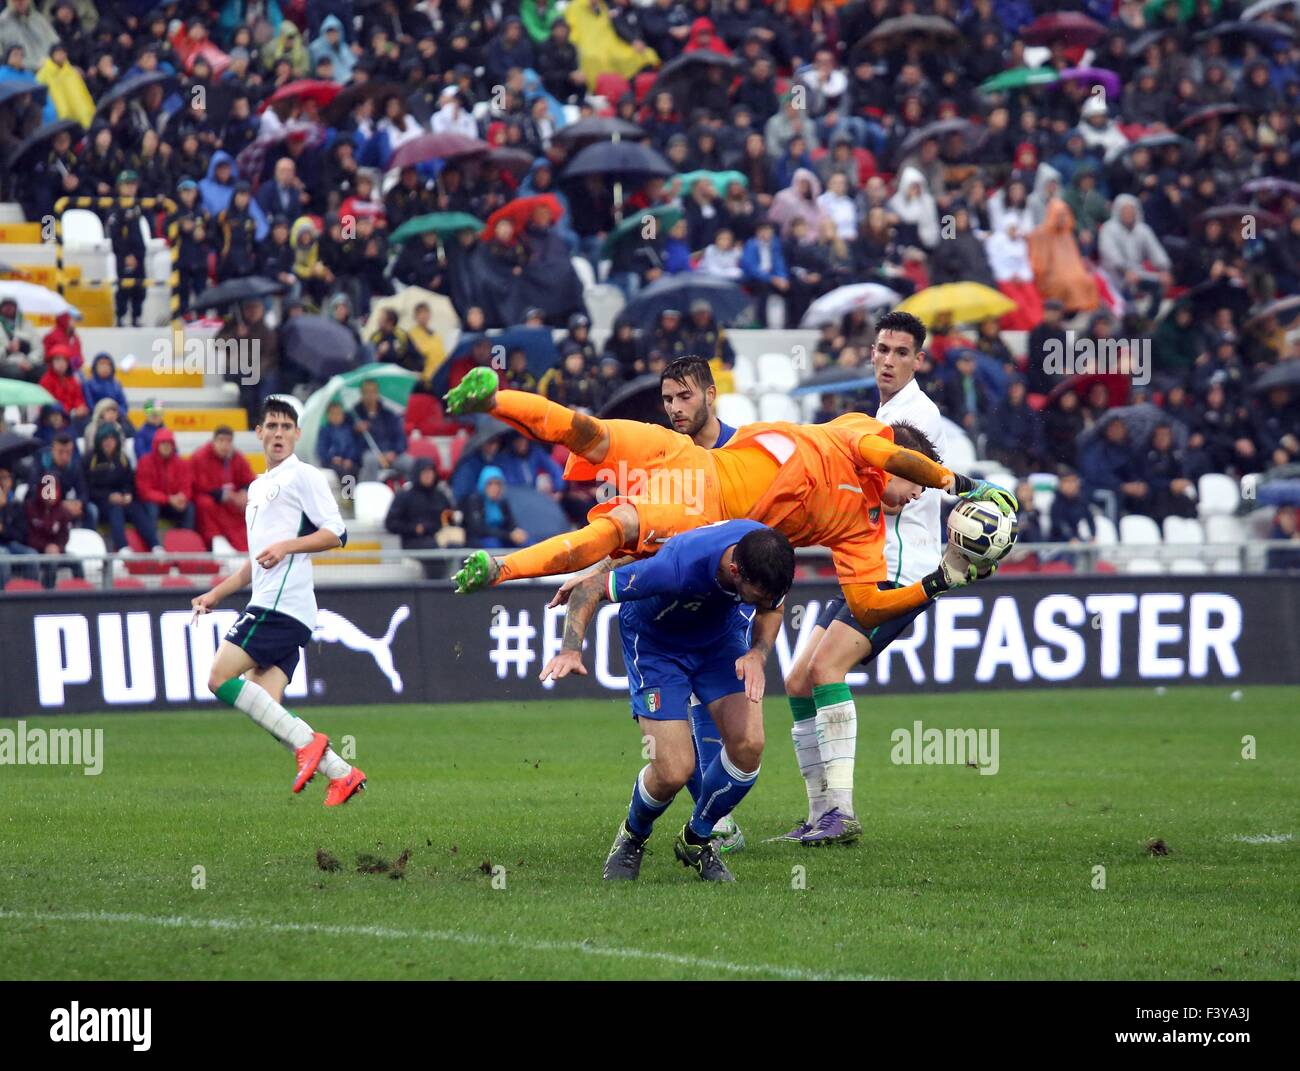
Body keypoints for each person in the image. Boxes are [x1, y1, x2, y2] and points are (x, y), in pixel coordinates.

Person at [444, 365, 1016, 635]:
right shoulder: (858, 434)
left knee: (617, 525)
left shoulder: (860, 530)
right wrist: (957, 484)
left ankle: (500, 568)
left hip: (705, 512)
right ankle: (493, 399)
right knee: (590, 435)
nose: (909, 498)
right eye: (914, 491)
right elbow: (894, 459)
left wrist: (937, 582)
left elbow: (867, 608)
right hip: (694, 469)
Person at [779, 309, 953, 845]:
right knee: (797, 679)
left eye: (902, 352)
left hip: (899, 568)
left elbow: (898, 495)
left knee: (827, 670)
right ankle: (817, 813)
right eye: (883, 350)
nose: (889, 360)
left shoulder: (916, 417)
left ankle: (843, 813)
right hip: (866, 563)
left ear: (918, 360)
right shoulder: (879, 414)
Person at [540, 521, 794, 882]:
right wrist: (570, 649)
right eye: (758, 594)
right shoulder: (675, 568)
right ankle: (632, 835)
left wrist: (757, 651)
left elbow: (773, 608)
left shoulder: (767, 555)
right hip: (657, 647)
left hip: (720, 643)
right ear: (735, 570)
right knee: (674, 770)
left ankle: (697, 837)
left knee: (749, 744)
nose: (766, 600)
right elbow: (589, 589)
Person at [192, 397, 365, 807]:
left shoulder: (303, 476)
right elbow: (258, 560)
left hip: (280, 605)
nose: (279, 433)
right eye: (271, 426)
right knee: (266, 708)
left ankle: (311, 745)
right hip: (282, 605)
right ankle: (343, 773)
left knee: (218, 679)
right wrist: (216, 593)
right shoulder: (257, 487)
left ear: (297, 434)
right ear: (259, 433)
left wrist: (288, 546)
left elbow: (337, 533)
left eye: (287, 427)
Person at [383, 458, 464, 579]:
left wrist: (453, 519)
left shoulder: (440, 495)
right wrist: (414, 529)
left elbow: (449, 515)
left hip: (440, 537)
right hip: (414, 541)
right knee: (434, 551)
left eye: (431, 472)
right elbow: (390, 523)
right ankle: (436, 588)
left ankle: (462, 587)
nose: (429, 476)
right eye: (425, 473)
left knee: (459, 548)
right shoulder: (405, 496)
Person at [84, 422, 158, 552]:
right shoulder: (90, 459)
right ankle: (123, 547)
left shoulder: (123, 458)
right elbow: (87, 488)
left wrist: (128, 494)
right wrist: (108, 496)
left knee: (137, 509)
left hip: (122, 498)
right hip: (100, 501)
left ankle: (155, 545)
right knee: (115, 509)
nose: (109, 443)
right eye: (105, 439)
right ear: (99, 440)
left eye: (112, 439)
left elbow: (129, 482)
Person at [191, 426, 256, 551]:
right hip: (211, 499)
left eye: (228, 441)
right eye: (221, 441)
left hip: (232, 502)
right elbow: (200, 486)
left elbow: (248, 479)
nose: (224, 445)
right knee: (205, 504)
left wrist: (244, 492)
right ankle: (215, 540)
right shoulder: (200, 457)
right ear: (214, 441)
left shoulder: (236, 457)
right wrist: (229, 496)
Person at [134, 427, 195, 532]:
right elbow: (144, 491)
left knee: (189, 508)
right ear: (156, 445)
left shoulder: (181, 464)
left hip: (173, 503)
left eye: (169, 444)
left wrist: (182, 497)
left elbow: (187, 487)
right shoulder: (145, 462)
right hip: (155, 503)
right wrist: (168, 499)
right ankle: (152, 543)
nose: (166, 447)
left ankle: (187, 541)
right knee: (151, 508)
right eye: (163, 443)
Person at [462, 465, 527, 548]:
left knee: (525, 543)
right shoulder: (474, 501)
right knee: (493, 544)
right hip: (480, 541)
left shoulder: (502, 503)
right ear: (483, 484)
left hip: (502, 538)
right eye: (490, 484)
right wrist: (508, 535)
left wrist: (516, 532)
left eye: (497, 484)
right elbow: (478, 529)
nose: (494, 487)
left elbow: (511, 523)